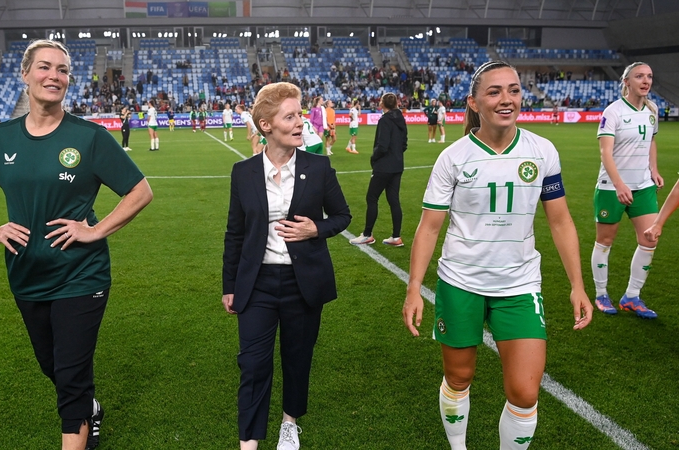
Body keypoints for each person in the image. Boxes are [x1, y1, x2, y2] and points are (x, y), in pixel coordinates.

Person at [0, 39, 153, 450]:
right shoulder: (0, 138)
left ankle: (79, 410)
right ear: (25, 75)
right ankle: (88, 404)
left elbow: (140, 191)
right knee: (52, 365)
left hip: (81, 275)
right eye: (45, 67)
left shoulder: (90, 138)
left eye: (63, 70)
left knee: (69, 375)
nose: (55, 76)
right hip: (26, 274)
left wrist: (96, 231)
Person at [402, 61, 592, 450]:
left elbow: (560, 222)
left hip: (520, 284)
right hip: (461, 282)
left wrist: (578, 285)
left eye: (514, 90)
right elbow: (429, 227)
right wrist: (414, 288)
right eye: (494, 92)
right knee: (459, 377)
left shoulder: (543, 151)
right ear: (474, 102)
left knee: (524, 392)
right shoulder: (452, 158)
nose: (507, 99)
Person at [222, 82, 351, 450]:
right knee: (253, 364)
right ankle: (249, 441)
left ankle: (289, 422)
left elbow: (342, 215)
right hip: (257, 283)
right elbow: (234, 233)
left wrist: (316, 228)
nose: (300, 122)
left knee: (297, 358)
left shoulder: (319, 167)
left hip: (303, 283)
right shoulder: (243, 172)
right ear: (266, 125)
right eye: (290, 117)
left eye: (300, 114)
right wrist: (229, 285)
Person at [591, 61, 663, 319]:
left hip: (643, 186)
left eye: (649, 76)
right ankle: (601, 294)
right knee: (605, 241)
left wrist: (653, 169)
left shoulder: (652, 109)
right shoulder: (613, 112)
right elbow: (605, 152)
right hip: (612, 187)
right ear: (627, 82)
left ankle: (631, 296)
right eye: (640, 76)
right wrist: (619, 184)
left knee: (649, 239)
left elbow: (651, 141)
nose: (646, 81)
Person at [349, 93, 408, 247]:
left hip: (384, 166)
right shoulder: (401, 118)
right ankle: (396, 237)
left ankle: (367, 235)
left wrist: (374, 158)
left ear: (382, 104)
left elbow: (382, 145)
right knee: (393, 199)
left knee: (372, 198)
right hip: (397, 165)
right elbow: (404, 144)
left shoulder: (385, 120)